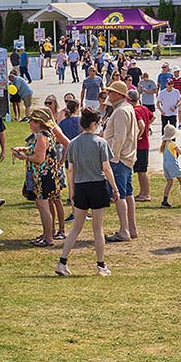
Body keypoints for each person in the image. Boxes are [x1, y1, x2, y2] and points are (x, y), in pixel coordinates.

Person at [55, 109, 121, 277]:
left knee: (76, 227)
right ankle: (101, 265)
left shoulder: (73, 143)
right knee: (97, 227)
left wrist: (72, 191)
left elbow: (70, 170)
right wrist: (115, 188)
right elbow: (106, 168)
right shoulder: (100, 142)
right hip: (97, 185)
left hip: (80, 186)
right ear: (93, 124)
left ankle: (62, 262)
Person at [14, 108, 62, 247]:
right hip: (48, 175)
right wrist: (26, 149)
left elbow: (39, 158)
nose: (29, 123)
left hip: (42, 177)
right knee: (43, 206)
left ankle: (48, 238)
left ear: (38, 122)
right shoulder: (49, 134)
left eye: (31, 121)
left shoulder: (41, 137)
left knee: (43, 207)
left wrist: (24, 157)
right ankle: (47, 234)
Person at [102, 80, 139, 243]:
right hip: (126, 157)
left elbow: (119, 137)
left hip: (119, 158)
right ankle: (131, 228)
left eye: (111, 92)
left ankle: (124, 230)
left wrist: (112, 157)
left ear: (118, 94)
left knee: (119, 194)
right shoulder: (126, 108)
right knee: (128, 193)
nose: (108, 94)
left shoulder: (120, 111)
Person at [130, 89, 154, 202]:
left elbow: (141, 124)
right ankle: (142, 192)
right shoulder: (144, 108)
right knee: (141, 171)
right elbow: (152, 117)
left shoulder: (135, 110)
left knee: (142, 171)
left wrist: (138, 135)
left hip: (140, 144)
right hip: (146, 143)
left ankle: (146, 194)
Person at [159, 123, 181, 207]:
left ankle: (164, 200)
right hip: (173, 164)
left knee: (169, 182)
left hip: (165, 165)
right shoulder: (173, 144)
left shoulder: (164, 144)